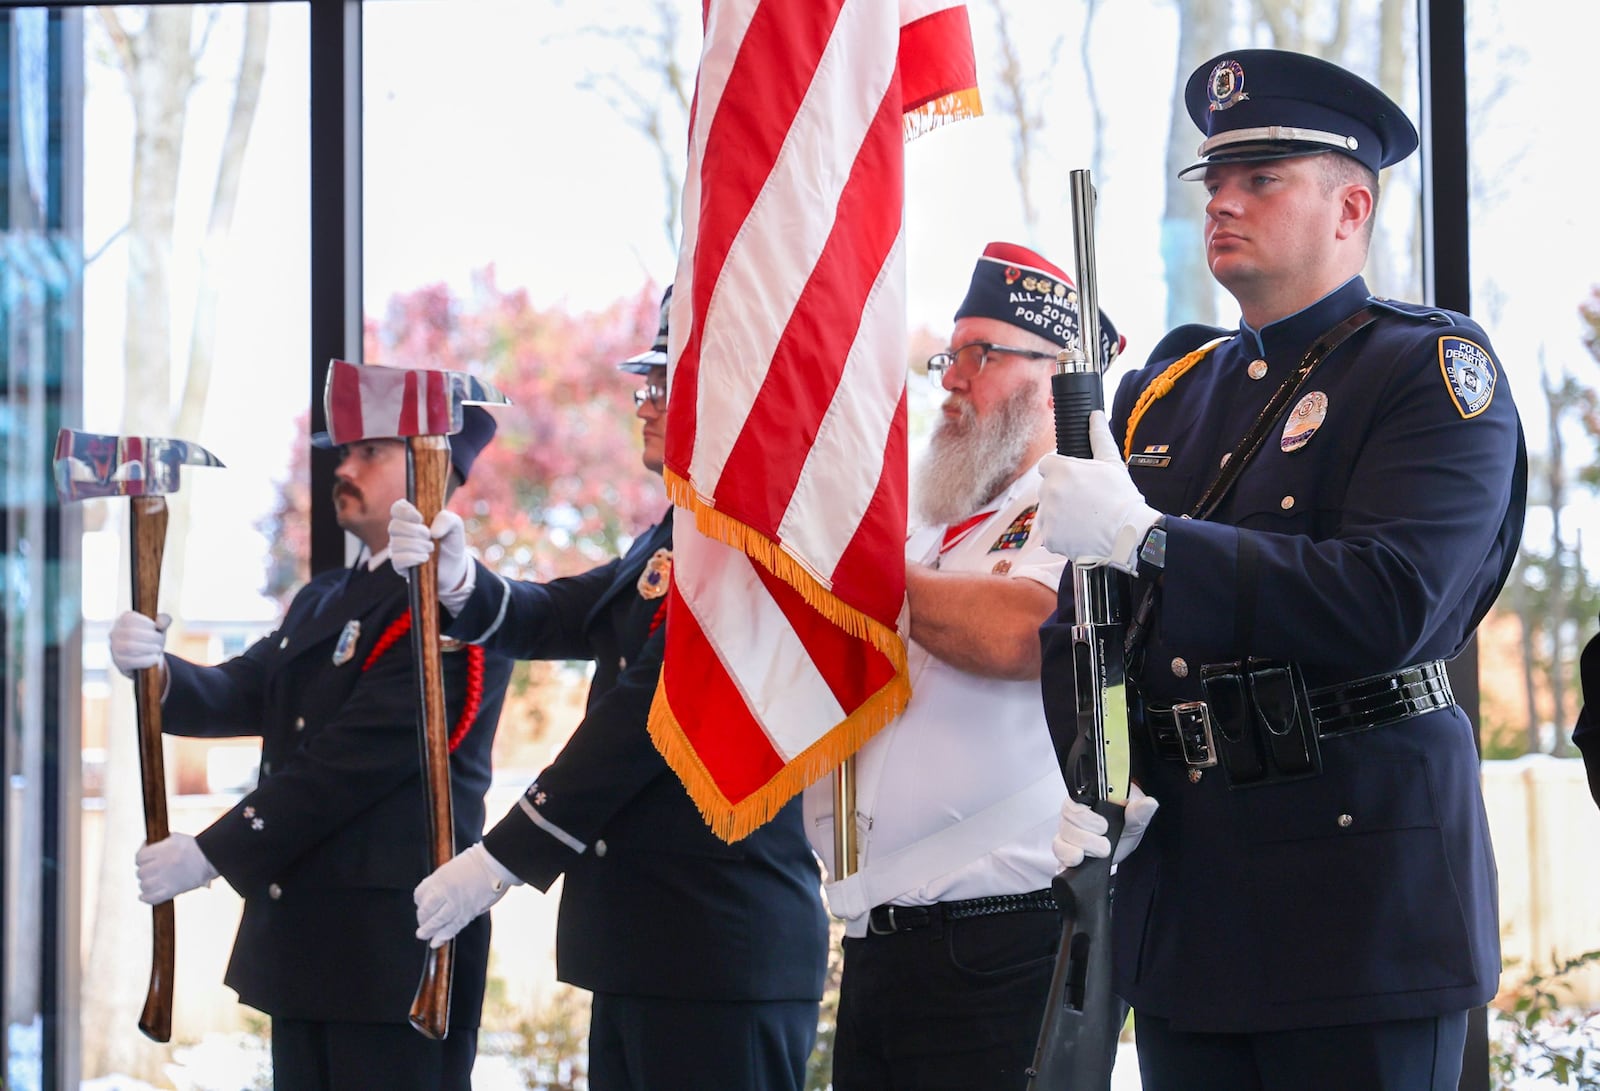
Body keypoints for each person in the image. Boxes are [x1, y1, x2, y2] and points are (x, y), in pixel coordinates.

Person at [1037, 49, 1527, 1090]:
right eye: (1213, 179)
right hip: (1191, 898)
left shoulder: (1426, 370)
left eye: (1260, 178)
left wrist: (1152, 538)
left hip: (1357, 899)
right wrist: (1093, 766)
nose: (1222, 199)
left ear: (1350, 206)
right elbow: (1089, 618)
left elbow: (1390, 600)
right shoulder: (1167, 389)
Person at [387, 285, 829, 1091]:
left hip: (717, 949)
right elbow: (569, 610)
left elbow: (652, 707)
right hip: (651, 947)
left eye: (664, 384)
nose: (644, 404)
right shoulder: (681, 528)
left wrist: (500, 859)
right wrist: (464, 584)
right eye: (645, 384)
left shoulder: (758, 534)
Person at [796, 242, 1127, 1090]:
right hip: (884, 939)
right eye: (952, 354)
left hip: (1002, 946)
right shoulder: (929, 534)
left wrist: (865, 585)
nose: (950, 378)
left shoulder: (1085, 510)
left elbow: (1031, 632)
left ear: (1058, 374)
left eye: (982, 354)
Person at [106, 406, 513, 1090]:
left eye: (372, 453)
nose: (344, 468)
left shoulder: (452, 605)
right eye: (345, 451)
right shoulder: (329, 594)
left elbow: (351, 763)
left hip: (395, 960)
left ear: (433, 470)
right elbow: (245, 689)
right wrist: (159, 671)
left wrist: (211, 853)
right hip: (309, 947)